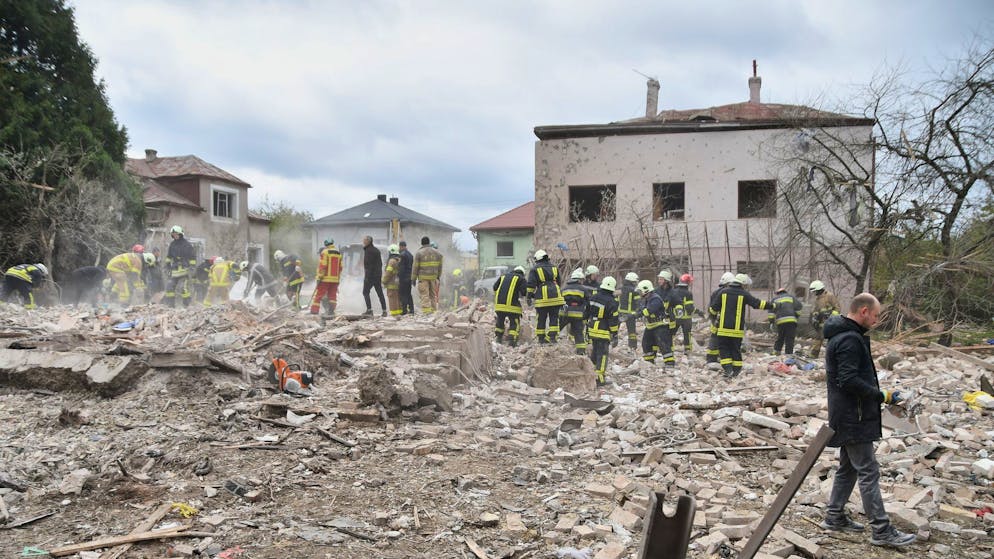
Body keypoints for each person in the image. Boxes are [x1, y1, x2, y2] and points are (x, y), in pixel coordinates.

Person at [822, 293, 916, 548]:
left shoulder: (846, 336)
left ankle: (834, 516)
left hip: (848, 414)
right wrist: (881, 395)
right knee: (868, 470)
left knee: (849, 468)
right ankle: (881, 530)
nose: (876, 321)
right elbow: (848, 380)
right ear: (863, 311)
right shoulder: (850, 339)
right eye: (875, 315)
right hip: (854, 416)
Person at [709, 273, 768, 378]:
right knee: (735, 349)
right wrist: (772, 305)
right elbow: (757, 304)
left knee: (724, 349)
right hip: (737, 331)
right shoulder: (744, 294)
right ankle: (736, 371)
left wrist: (714, 317)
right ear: (743, 284)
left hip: (723, 329)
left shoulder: (723, 292)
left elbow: (713, 309)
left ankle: (728, 369)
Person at [585, 276, 619, 386]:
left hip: (592, 328)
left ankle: (591, 376)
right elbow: (613, 320)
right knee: (603, 355)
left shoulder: (593, 297)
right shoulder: (612, 302)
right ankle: (600, 379)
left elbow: (586, 313)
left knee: (595, 353)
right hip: (603, 330)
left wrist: (586, 328)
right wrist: (614, 334)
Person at [526, 250, 564, 343]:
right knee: (554, 318)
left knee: (541, 318)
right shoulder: (554, 267)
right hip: (556, 297)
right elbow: (559, 282)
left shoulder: (535, 269)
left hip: (542, 299)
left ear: (537, 259)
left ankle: (541, 339)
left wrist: (529, 296)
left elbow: (531, 285)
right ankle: (552, 338)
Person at [706, 272, 736, 367]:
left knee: (715, 338)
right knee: (723, 339)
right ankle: (722, 358)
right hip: (723, 320)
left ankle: (712, 358)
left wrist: (713, 317)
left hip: (716, 319)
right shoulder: (727, 293)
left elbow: (710, 308)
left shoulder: (716, 292)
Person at [163, 225, 197, 308]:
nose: (174, 236)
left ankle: (186, 305)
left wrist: (192, 267)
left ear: (180, 234)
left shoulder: (187, 245)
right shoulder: (172, 244)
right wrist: (167, 265)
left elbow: (192, 257)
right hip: (174, 270)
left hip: (184, 270)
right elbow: (169, 256)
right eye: (173, 234)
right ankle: (170, 306)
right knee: (169, 287)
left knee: (183, 288)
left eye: (176, 234)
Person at [493, 266, 527, 346]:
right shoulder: (521, 278)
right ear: (522, 273)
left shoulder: (503, 276)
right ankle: (512, 342)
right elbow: (524, 292)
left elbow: (495, 287)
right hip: (512, 307)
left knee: (500, 321)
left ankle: (498, 339)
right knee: (514, 323)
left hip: (499, 305)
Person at [808, 280, 840, 358]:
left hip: (830, 322)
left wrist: (831, 315)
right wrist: (815, 318)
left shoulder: (829, 296)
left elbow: (837, 308)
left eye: (815, 291)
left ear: (819, 289)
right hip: (821, 323)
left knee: (831, 340)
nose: (814, 293)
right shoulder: (817, 299)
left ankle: (833, 357)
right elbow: (815, 310)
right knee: (818, 338)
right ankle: (813, 354)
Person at [654, 270, 679, 367]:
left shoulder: (673, 293)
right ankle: (652, 359)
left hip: (669, 321)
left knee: (668, 340)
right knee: (654, 338)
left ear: (666, 281)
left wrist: (678, 310)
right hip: (658, 320)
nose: (659, 281)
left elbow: (679, 303)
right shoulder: (656, 291)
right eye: (659, 279)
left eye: (661, 279)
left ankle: (670, 360)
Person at [310, 239, 342, 316]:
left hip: (325, 278)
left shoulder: (325, 252)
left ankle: (314, 311)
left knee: (319, 295)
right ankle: (331, 311)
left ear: (326, 244)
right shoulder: (338, 253)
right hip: (335, 279)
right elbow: (340, 268)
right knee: (332, 296)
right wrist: (338, 279)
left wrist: (320, 277)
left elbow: (323, 265)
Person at [637, 280, 665, 364]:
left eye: (640, 291)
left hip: (659, 325)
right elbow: (642, 309)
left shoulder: (655, 299)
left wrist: (637, 315)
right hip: (650, 325)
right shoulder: (646, 299)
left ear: (646, 290)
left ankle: (669, 363)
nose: (639, 293)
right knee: (646, 343)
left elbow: (649, 311)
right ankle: (649, 361)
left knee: (663, 344)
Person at [412, 236, 443, 313]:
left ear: (421, 243)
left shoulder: (419, 253)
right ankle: (434, 311)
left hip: (423, 278)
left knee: (424, 294)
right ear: (429, 242)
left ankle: (426, 312)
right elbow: (440, 266)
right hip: (433, 277)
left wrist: (413, 278)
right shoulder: (437, 253)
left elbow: (415, 267)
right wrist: (438, 276)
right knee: (433, 295)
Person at [561, 268, 589, 355]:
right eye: (582, 280)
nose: (582, 282)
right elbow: (588, 303)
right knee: (579, 334)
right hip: (578, 315)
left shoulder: (564, 289)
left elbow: (559, 301)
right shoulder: (583, 289)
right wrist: (586, 315)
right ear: (579, 280)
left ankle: (549, 343)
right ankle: (581, 352)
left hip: (564, 314)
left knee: (556, 328)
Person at [770, 286, 803, 356]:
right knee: (790, 338)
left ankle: (776, 351)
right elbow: (799, 306)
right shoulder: (791, 297)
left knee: (780, 337)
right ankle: (788, 354)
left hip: (780, 322)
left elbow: (771, 312)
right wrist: (796, 315)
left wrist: (771, 322)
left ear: (777, 293)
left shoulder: (775, 299)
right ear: (785, 292)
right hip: (791, 321)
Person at [361, 235, 387, 316]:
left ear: (368, 241)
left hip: (371, 276)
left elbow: (369, 265)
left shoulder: (368, 251)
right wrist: (379, 274)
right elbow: (380, 264)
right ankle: (384, 310)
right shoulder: (376, 250)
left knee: (365, 292)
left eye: (364, 240)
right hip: (377, 275)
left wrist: (367, 277)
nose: (363, 241)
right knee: (380, 293)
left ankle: (369, 310)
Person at [672, 274, 696, 352]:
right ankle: (687, 350)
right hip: (686, 318)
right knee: (687, 334)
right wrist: (698, 312)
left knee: (671, 333)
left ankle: (668, 349)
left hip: (675, 317)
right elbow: (689, 308)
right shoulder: (688, 293)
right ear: (687, 283)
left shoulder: (674, 292)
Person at [618, 272, 641, 350]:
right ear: (632, 281)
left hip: (619, 312)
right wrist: (638, 312)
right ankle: (632, 346)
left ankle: (612, 343)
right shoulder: (635, 291)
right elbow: (638, 303)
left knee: (614, 329)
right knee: (632, 332)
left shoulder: (620, 289)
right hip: (630, 314)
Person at [382, 244, 403, 316]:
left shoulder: (391, 261)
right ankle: (399, 313)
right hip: (398, 283)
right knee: (398, 299)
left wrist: (384, 281)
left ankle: (394, 315)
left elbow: (388, 272)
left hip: (391, 284)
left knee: (392, 299)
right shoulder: (399, 260)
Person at [398, 240, 415, 314]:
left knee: (403, 294)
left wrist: (399, 276)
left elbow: (401, 268)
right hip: (409, 277)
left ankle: (404, 310)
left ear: (401, 246)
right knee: (408, 293)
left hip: (404, 277)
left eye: (399, 247)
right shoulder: (410, 255)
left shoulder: (402, 255)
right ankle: (412, 309)